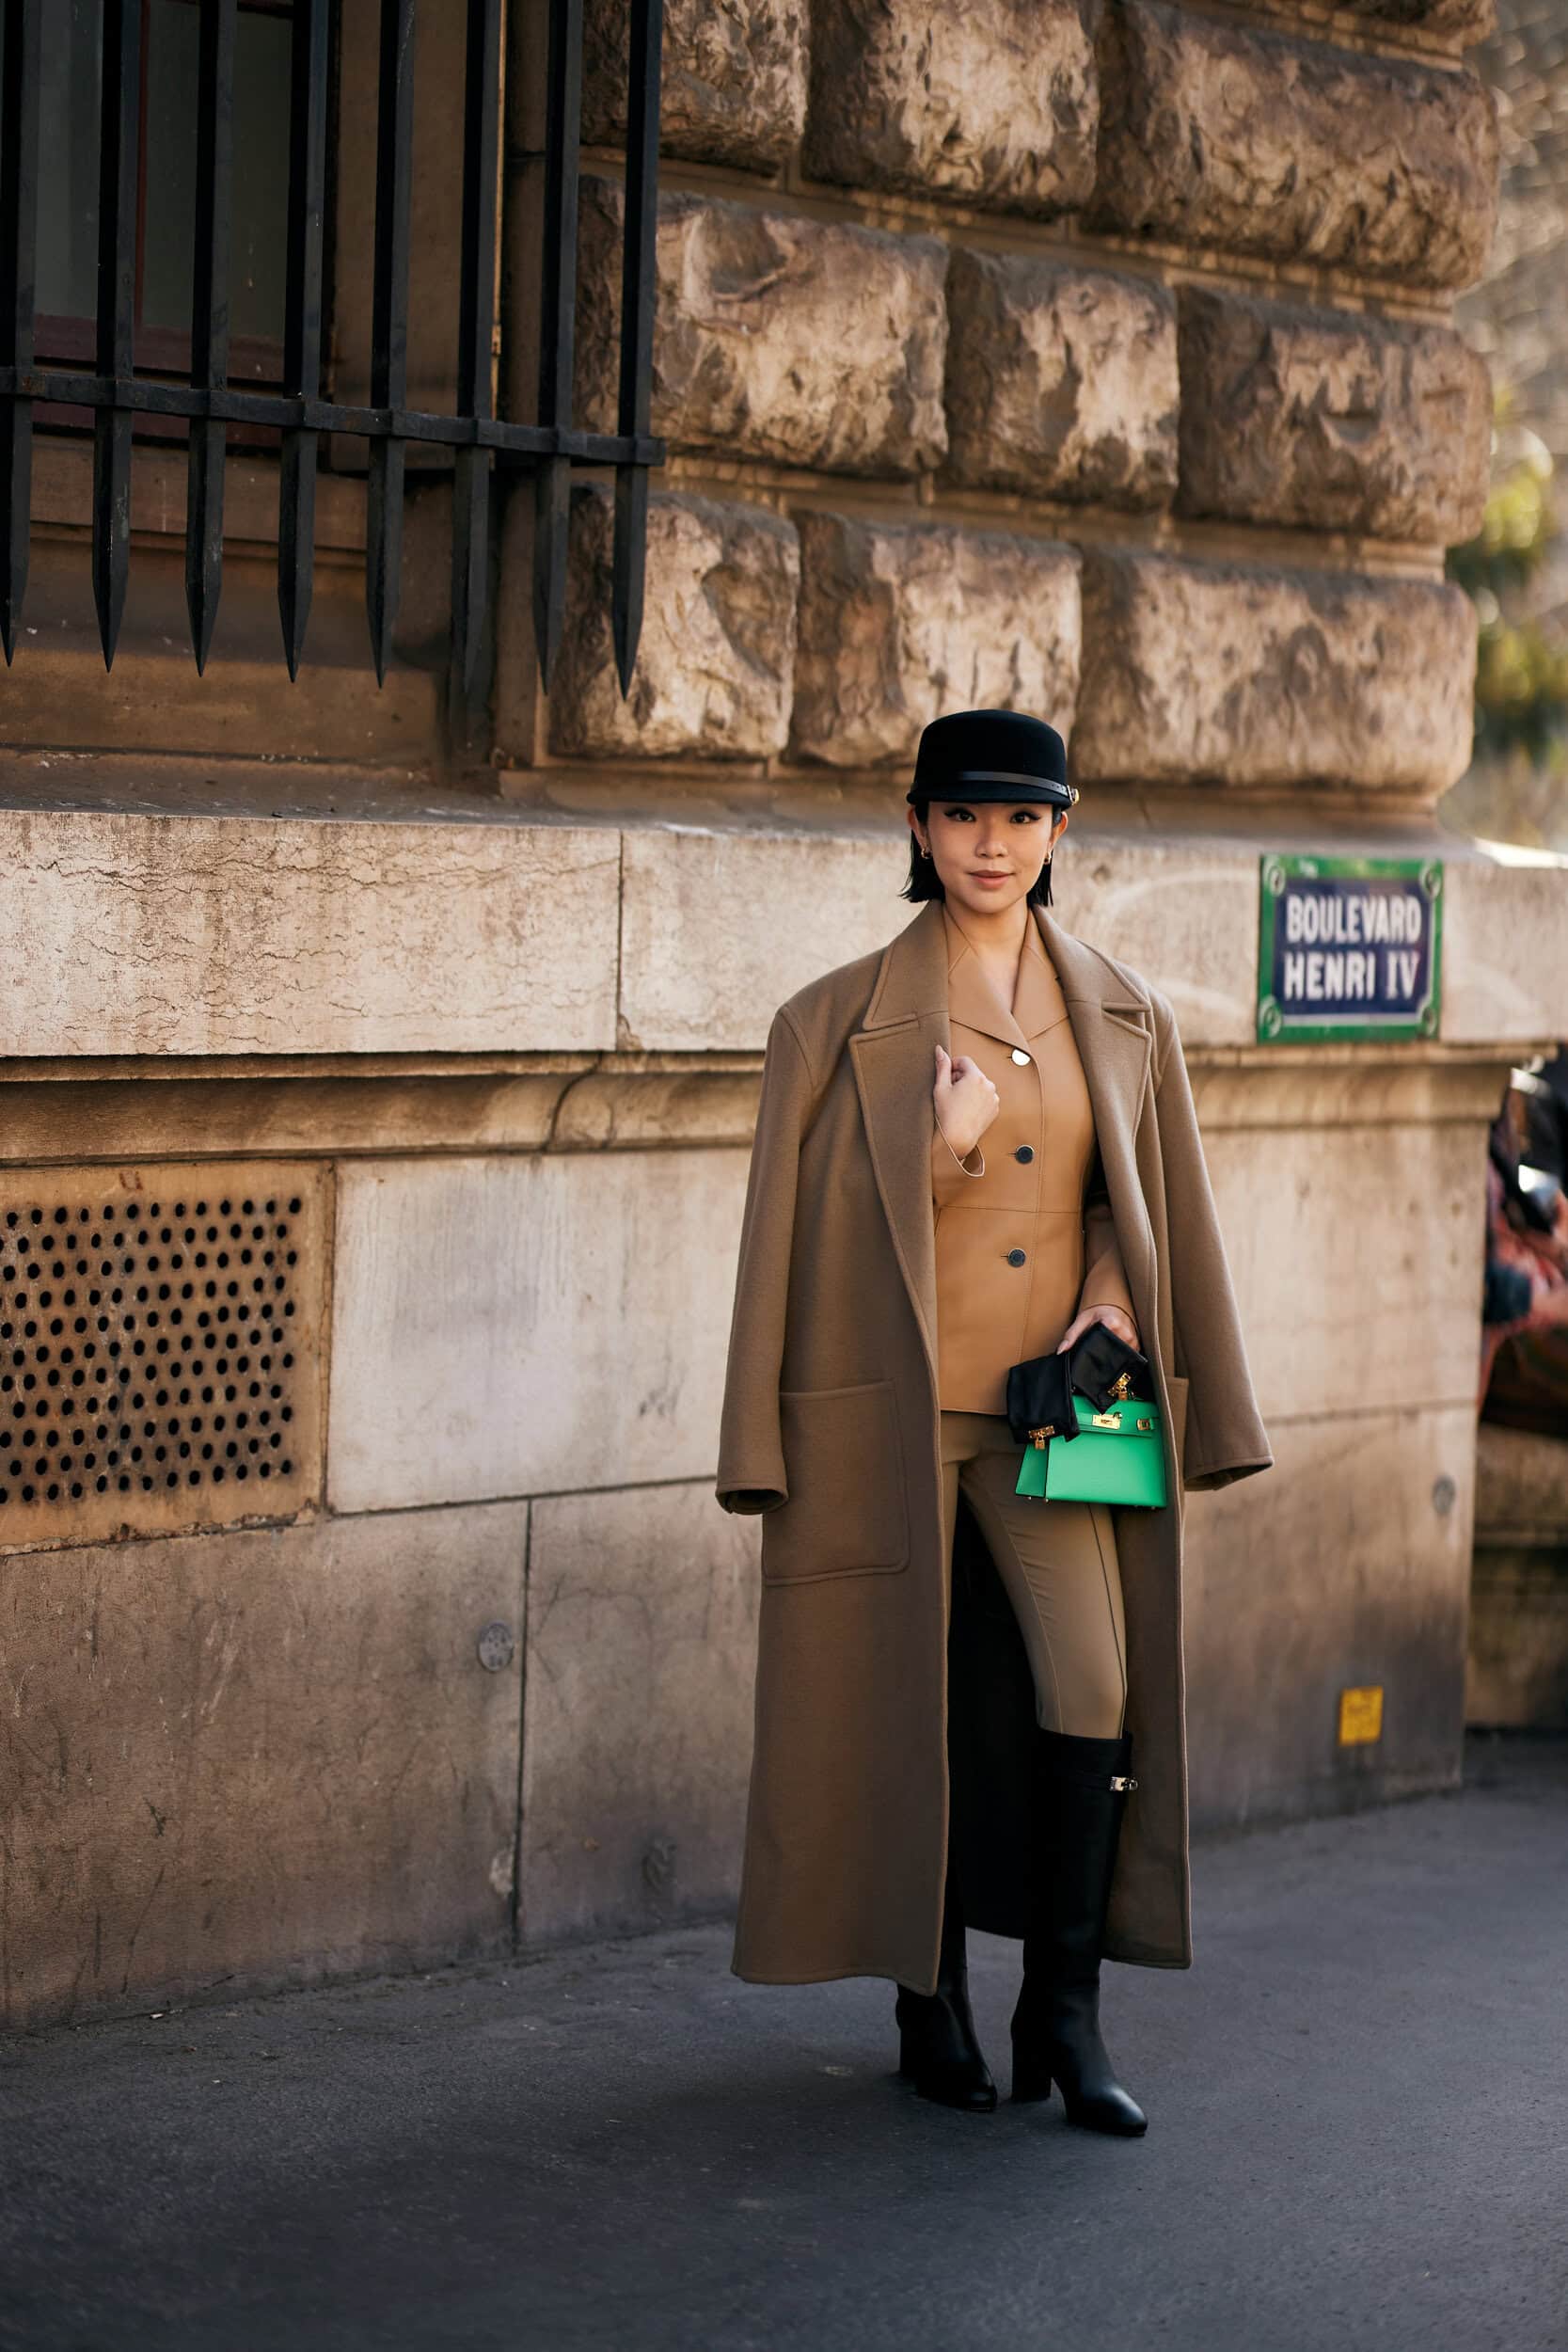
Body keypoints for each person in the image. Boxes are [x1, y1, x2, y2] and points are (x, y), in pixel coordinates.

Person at [715, 708, 1272, 2137]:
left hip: (1055, 1421)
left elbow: (1130, 1198)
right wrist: (940, 1155)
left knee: (1093, 1684)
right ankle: (930, 2003)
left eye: (1023, 819)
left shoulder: (1122, 1010)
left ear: (1061, 833)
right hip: (893, 1422)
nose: (993, 844)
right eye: (964, 816)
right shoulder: (830, 1022)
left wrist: (1111, 1288)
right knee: (907, 1701)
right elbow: (804, 1247)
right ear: (916, 827)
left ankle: (1064, 2016)